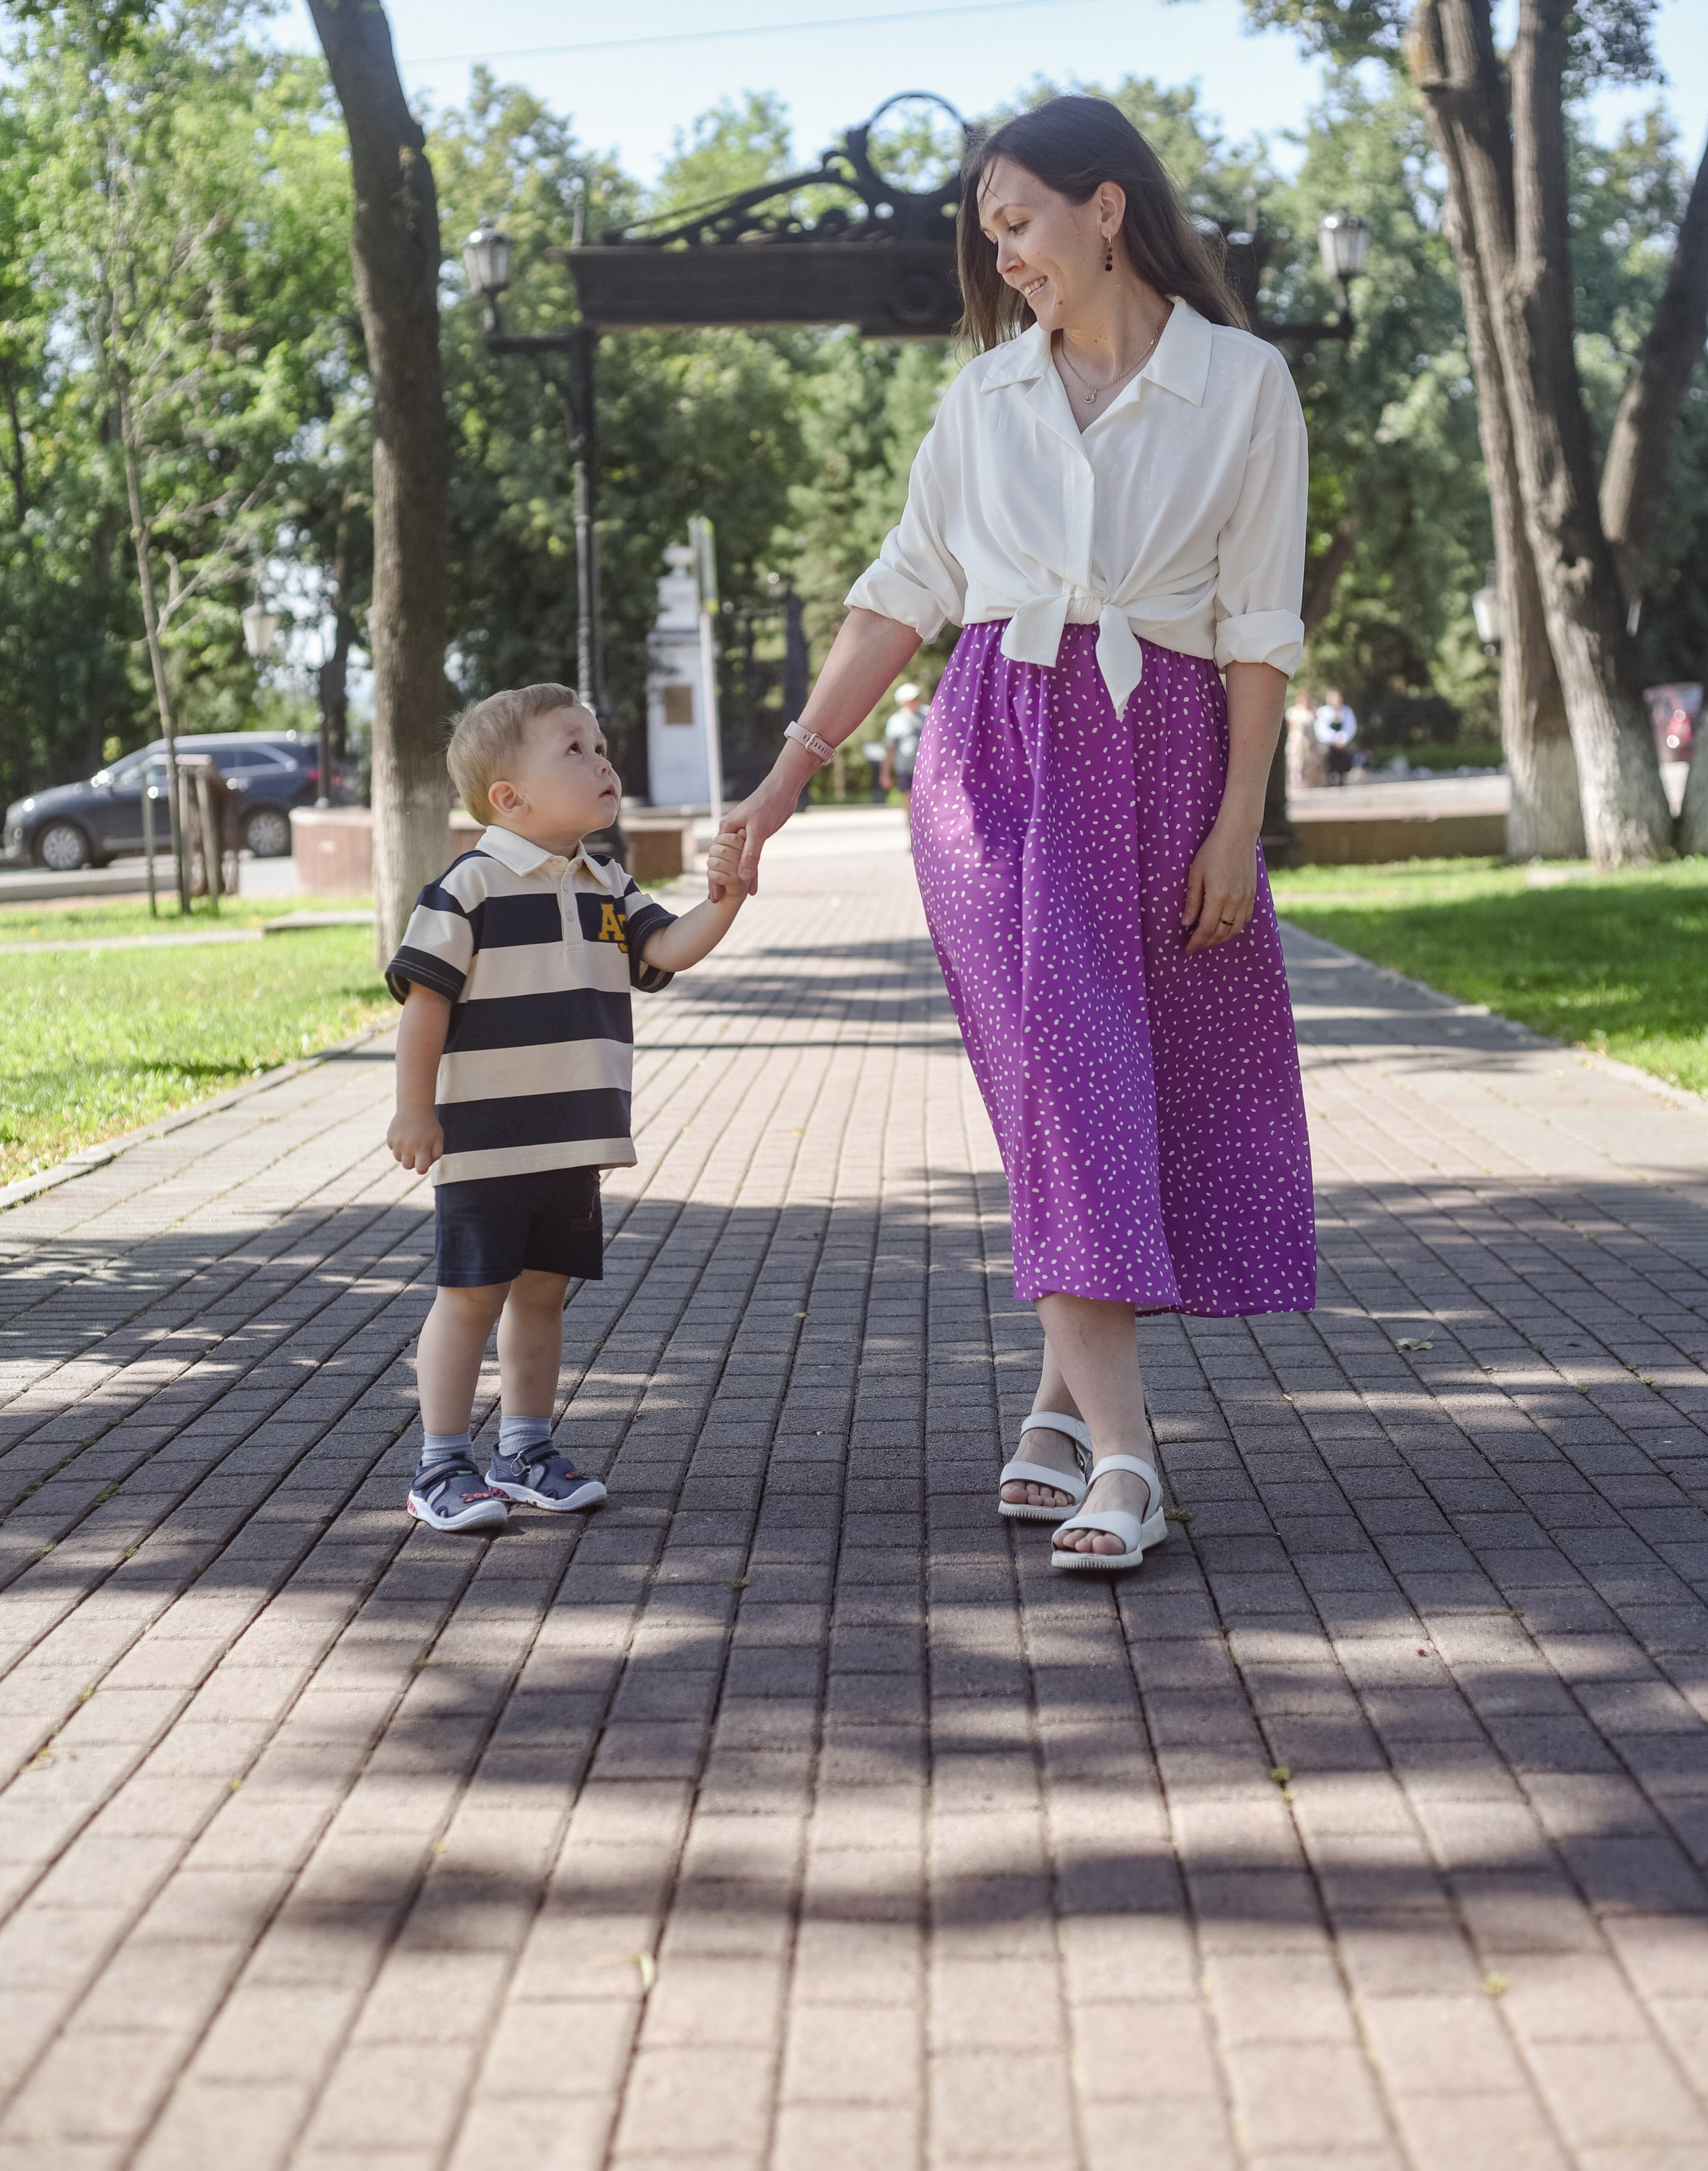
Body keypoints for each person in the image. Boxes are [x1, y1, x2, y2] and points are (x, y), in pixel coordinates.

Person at [722, 94, 1314, 1573]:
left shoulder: (1241, 384)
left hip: (1170, 747)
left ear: (1102, 209)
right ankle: (1125, 1455)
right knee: (1059, 1080)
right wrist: (776, 786)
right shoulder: (982, 398)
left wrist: (1238, 823)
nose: (1004, 256)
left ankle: (1054, 1413)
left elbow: (1255, 627)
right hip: (992, 755)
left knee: (1138, 1085)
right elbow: (898, 593)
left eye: (1019, 222)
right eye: (988, 232)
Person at [385, 682, 747, 1532]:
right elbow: (424, 1004)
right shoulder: (466, 887)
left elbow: (665, 951)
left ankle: (524, 1449)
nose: (602, 759)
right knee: (470, 1294)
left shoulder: (603, 878)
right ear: (509, 798)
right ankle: (440, 1464)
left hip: (570, 1136)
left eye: (599, 742)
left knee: (541, 1294)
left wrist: (725, 899)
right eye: (573, 749)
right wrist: (414, 1110)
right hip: (486, 1134)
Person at [881, 680, 929, 837]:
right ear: (902, 702)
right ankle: (914, 837)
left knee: (930, 804)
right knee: (909, 805)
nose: (914, 701)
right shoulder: (896, 721)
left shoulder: (929, 712)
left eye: (916, 698)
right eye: (911, 699)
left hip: (929, 769)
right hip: (906, 769)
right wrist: (885, 774)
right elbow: (890, 750)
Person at [1314, 687, 1358, 785]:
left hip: (1343, 742)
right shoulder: (1323, 712)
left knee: (1348, 752)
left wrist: (1342, 738)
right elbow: (1321, 730)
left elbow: (1351, 727)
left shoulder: (1347, 711)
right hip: (1328, 743)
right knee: (1327, 753)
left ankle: (1343, 776)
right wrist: (1334, 739)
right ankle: (1329, 778)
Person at [1286, 685, 1326, 791]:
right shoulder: (1292, 712)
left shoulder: (1310, 713)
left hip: (1308, 742)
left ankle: (1308, 781)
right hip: (1295, 741)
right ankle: (1295, 782)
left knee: (1309, 762)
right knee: (1295, 762)